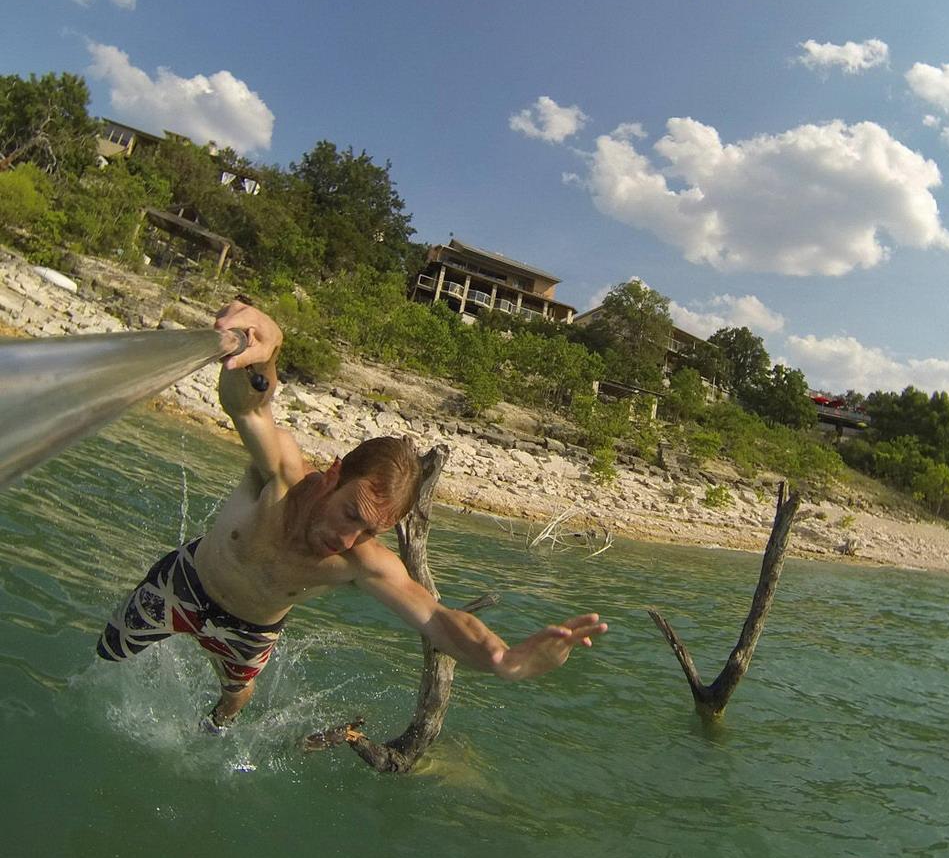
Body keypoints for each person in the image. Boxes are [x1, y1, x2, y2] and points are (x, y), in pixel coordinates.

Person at [96, 299, 607, 730]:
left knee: (230, 707)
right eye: (349, 514)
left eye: (368, 530)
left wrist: (504, 659)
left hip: (250, 634)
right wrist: (266, 353)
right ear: (335, 473)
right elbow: (249, 407)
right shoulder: (279, 475)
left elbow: (438, 619)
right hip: (185, 584)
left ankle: (209, 735)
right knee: (106, 659)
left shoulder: (365, 561)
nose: (347, 539)